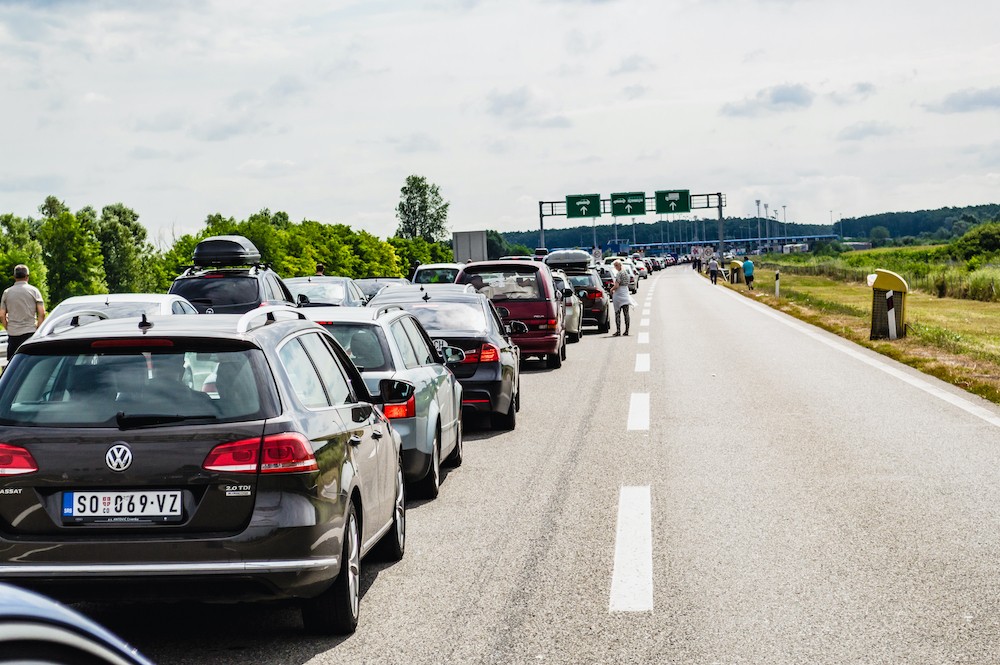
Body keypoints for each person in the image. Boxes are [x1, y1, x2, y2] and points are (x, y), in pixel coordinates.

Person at [0, 264, 46, 357]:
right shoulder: (34, 291)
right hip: (30, 331)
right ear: (27, 276)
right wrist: (38, 328)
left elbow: (2, 315)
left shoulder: (7, 292)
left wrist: (8, 328)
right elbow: (42, 313)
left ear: (14, 277)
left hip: (13, 333)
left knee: (13, 364)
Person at [609, 259, 632, 336]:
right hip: (625, 293)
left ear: (617, 266)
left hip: (619, 295)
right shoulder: (626, 273)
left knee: (617, 313)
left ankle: (618, 331)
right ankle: (627, 330)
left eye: (615, 266)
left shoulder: (619, 274)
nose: (615, 268)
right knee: (626, 314)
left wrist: (611, 289)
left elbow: (617, 285)